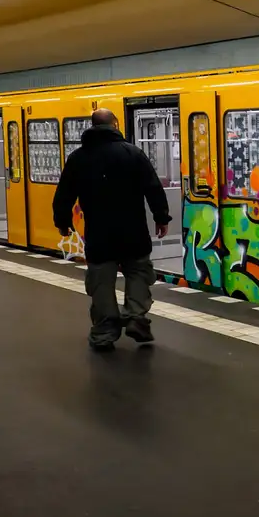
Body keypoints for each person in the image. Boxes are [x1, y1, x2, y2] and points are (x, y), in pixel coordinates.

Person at [53, 108, 171, 351]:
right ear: (115, 125)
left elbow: (64, 194)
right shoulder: (132, 153)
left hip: (99, 233)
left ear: (92, 126)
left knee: (101, 281)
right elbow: (153, 188)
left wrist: (62, 222)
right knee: (138, 271)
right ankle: (136, 316)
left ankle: (105, 330)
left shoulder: (79, 158)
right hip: (133, 231)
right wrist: (161, 218)